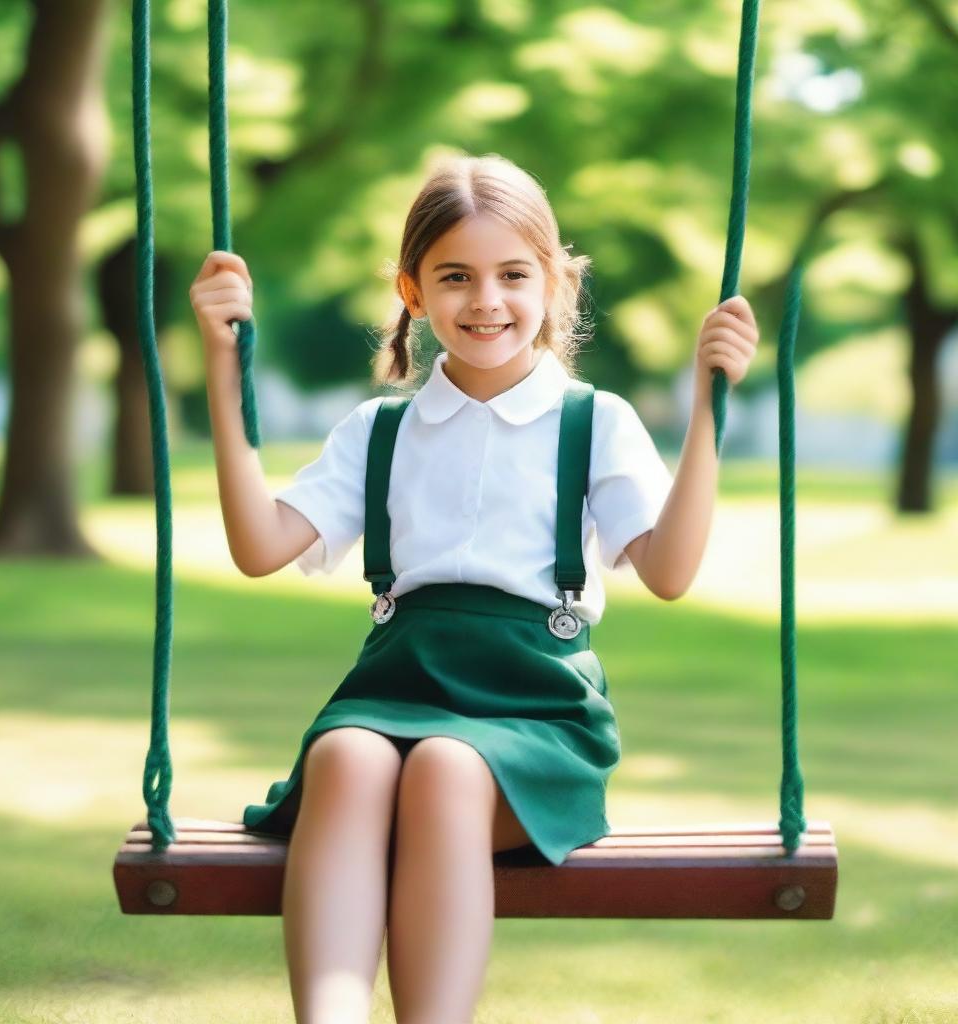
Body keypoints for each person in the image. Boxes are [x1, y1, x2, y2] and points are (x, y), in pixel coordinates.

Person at [189, 152, 759, 1024]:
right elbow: (260, 547)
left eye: (512, 275)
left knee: (449, 771)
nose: (485, 300)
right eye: (455, 277)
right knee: (343, 753)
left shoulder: (593, 421)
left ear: (556, 285)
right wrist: (224, 379)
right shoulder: (381, 430)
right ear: (413, 292)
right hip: (396, 684)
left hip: (533, 708)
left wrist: (708, 409)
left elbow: (670, 572)